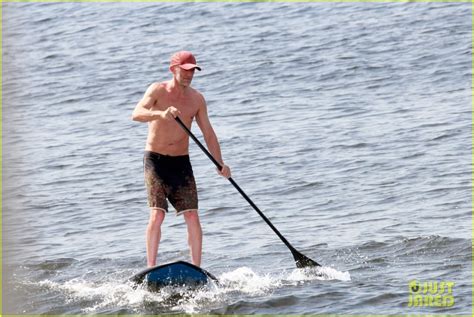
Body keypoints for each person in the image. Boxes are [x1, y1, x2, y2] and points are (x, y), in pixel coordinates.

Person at [132, 51, 231, 268]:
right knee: (157, 215)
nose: (189, 75)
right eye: (185, 70)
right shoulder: (158, 89)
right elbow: (137, 113)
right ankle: (151, 267)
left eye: (192, 71)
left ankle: (197, 268)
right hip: (155, 161)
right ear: (173, 69)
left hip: (181, 162)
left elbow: (208, 133)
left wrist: (220, 163)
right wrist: (160, 114)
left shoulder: (196, 99)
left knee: (193, 216)